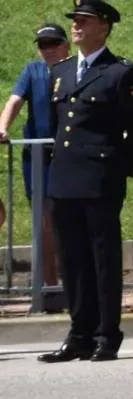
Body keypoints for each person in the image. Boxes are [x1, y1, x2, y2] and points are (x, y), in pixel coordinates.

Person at [38, 0, 133, 363]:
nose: (76, 26)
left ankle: (107, 334)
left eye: (84, 20)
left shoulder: (120, 73)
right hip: (64, 178)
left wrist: (120, 166)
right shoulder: (61, 72)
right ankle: (79, 333)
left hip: (100, 177)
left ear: (103, 27)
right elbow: (61, 127)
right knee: (72, 259)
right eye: (75, 20)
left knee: (102, 258)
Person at [0, 22, 70, 312]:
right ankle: (50, 288)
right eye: (43, 45)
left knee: (72, 221)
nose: (49, 49)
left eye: (54, 43)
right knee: (45, 223)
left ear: (67, 44)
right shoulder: (33, 71)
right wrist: (2, 128)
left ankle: (76, 285)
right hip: (38, 159)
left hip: (70, 158)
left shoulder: (78, 69)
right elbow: (15, 101)